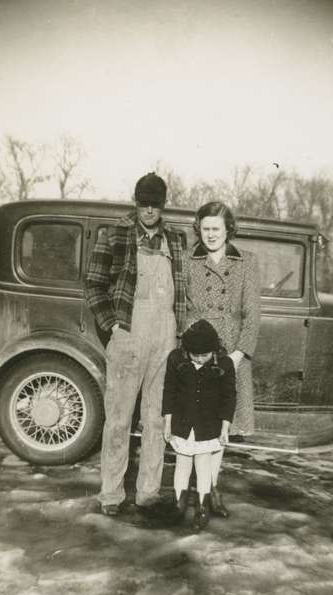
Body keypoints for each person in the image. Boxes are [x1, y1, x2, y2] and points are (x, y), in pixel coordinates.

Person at [85, 172, 186, 516]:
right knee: (118, 418)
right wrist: (113, 326)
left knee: (157, 417)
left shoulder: (176, 238)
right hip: (129, 332)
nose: (149, 210)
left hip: (165, 334)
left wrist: (180, 332)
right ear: (135, 201)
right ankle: (111, 494)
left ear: (162, 205)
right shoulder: (114, 234)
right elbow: (94, 285)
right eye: (143, 203)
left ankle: (148, 492)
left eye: (155, 204)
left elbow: (182, 290)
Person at [185, 201, 261, 518]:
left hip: (231, 354)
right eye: (206, 229)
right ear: (198, 230)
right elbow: (183, 310)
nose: (211, 234)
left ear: (228, 229)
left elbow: (253, 315)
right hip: (197, 353)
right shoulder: (188, 262)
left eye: (217, 228)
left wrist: (237, 355)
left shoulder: (247, 263)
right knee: (194, 427)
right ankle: (196, 491)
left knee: (219, 430)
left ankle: (212, 489)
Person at [162, 319, 236, 531]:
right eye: (196, 355)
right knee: (182, 464)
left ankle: (203, 507)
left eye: (205, 355)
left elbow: (229, 398)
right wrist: (168, 423)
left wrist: (224, 428)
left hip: (208, 426)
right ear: (187, 351)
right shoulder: (176, 359)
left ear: (214, 350)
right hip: (182, 424)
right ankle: (179, 504)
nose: (201, 360)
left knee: (203, 466)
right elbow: (169, 391)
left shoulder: (224, 364)